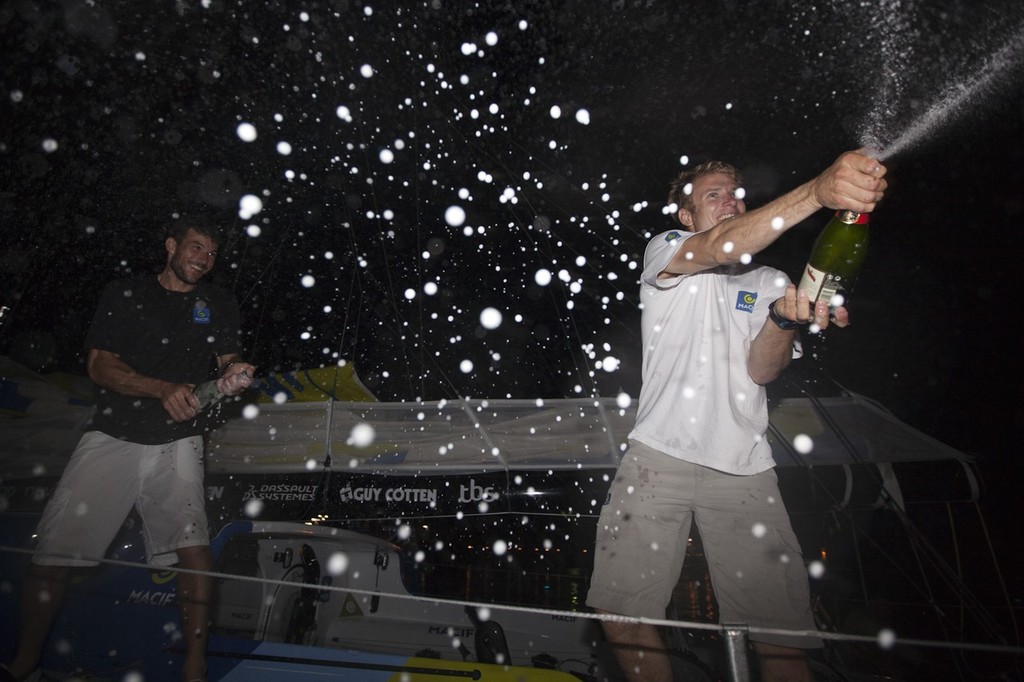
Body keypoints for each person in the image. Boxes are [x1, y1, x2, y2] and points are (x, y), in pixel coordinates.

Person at [586, 150, 888, 682]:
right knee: (621, 612)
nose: (729, 201)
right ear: (686, 215)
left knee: (780, 636)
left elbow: (762, 369)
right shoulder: (668, 249)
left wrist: (781, 320)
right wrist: (816, 191)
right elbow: (718, 246)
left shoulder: (771, 280)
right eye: (713, 195)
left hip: (746, 470)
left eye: (734, 194)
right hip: (657, 459)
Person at [2, 216, 255, 682]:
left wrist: (237, 372)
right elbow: (100, 366)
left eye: (212, 253)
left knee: (193, 547)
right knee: (53, 553)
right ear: (171, 245)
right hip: (112, 434)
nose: (204, 259)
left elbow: (227, 358)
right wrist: (161, 388)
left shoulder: (217, 302)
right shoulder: (125, 293)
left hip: (179, 438)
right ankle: (25, 662)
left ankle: (194, 670)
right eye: (196, 247)